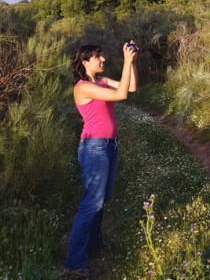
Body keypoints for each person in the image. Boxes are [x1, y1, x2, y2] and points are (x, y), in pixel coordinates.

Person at [63, 42, 138, 278]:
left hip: (108, 146)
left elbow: (132, 87)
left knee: (101, 200)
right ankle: (75, 263)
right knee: (91, 203)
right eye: (98, 57)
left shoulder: (101, 81)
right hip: (94, 148)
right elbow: (121, 94)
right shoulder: (83, 87)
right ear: (85, 62)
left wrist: (132, 62)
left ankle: (94, 245)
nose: (103, 59)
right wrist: (125, 62)